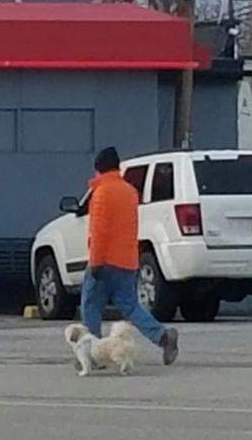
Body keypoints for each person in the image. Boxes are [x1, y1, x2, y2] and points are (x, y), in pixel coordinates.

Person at [83, 146, 179, 365]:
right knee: (131, 306)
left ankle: (92, 354)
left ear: (99, 167)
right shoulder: (129, 191)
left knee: (90, 305)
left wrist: (96, 261)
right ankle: (163, 337)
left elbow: (99, 231)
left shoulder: (101, 192)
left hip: (105, 261)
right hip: (127, 260)